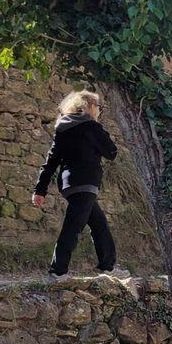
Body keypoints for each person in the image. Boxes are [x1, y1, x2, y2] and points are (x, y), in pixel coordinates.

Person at [32, 90, 125, 282]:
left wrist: (40, 190)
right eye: (99, 107)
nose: (100, 111)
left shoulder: (63, 128)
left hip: (69, 183)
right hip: (86, 181)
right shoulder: (91, 127)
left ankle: (108, 266)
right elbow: (111, 152)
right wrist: (99, 128)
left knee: (99, 224)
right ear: (91, 107)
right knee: (73, 226)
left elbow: (51, 161)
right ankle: (57, 271)